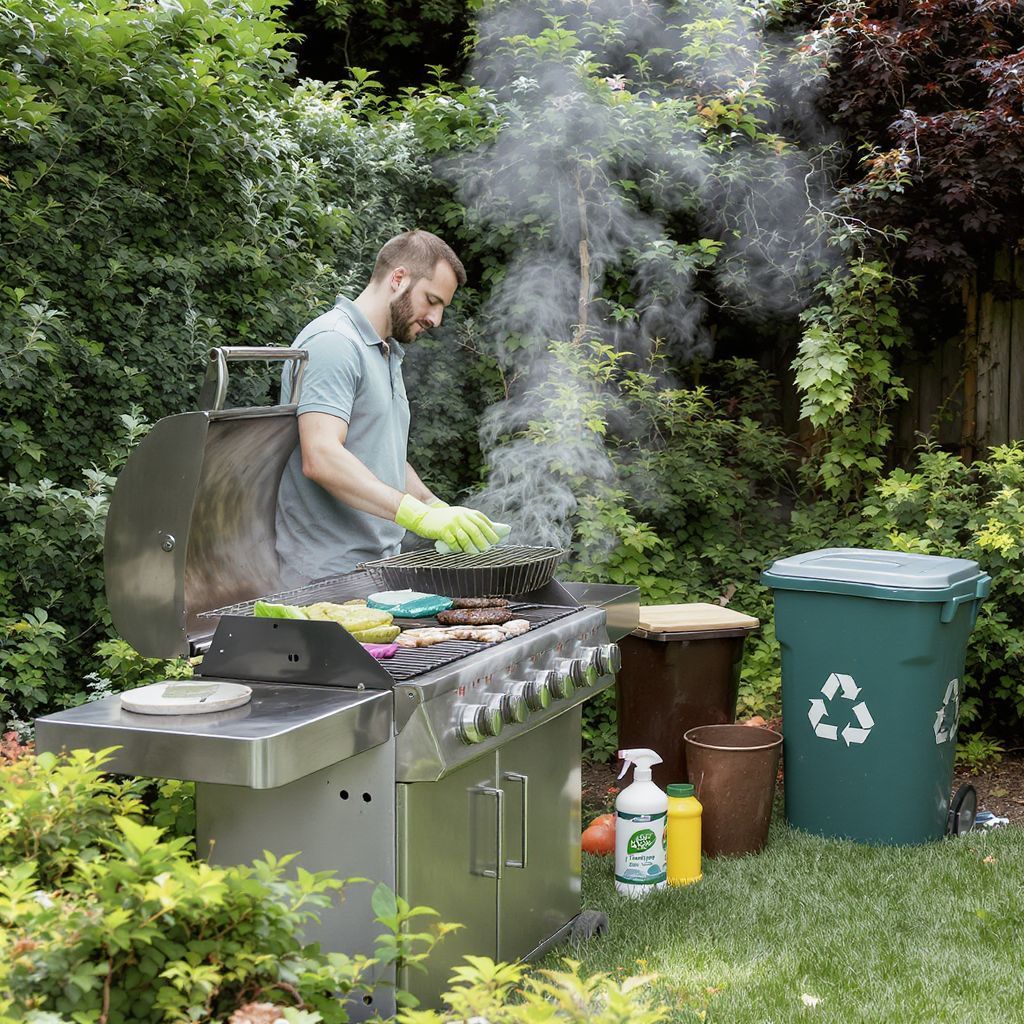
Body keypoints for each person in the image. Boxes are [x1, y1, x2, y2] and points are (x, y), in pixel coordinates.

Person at [275, 229, 501, 584]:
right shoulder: (334, 342)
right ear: (398, 279)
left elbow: (380, 454)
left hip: (375, 572)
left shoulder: (384, 352)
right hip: (324, 579)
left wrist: (433, 506)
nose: (436, 319)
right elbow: (321, 456)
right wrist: (417, 517)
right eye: (432, 300)